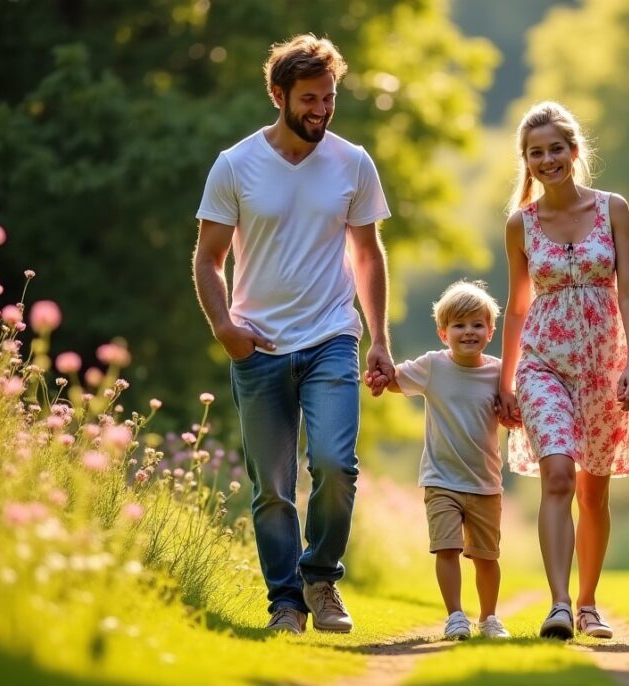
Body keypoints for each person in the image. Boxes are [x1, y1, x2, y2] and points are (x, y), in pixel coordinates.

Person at [192, 34, 395, 635]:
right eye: (309, 98)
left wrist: (379, 337)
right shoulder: (235, 165)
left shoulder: (353, 161)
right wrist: (225, 328)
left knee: (335, 465)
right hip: (258, 347)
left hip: (332, 334)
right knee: (273, 487)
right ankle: (285, 602)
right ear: (277, 95)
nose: (322, 111)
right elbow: (208, 259)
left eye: (329, 99)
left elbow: (368, 254)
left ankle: (321, 576)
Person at [496, 101, 629, 640]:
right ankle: (558, 604)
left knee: (593, 493)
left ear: (575, 151)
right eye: (536, 153)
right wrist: (505, 380)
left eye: (556, 148)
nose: (548, 159)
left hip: (604, 365)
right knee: (558, 474)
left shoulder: (613, 209)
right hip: (543, 364)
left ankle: (587, 603)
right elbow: (516, 307)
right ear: (527, 162)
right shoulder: (521, 225)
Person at [371, 280, 511, 640]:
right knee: (446, 548)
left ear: (490, 331)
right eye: (459, 325)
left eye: (477, 325)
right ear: (443, 331)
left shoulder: (499, 373)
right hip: (440, 480)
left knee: (486, 556)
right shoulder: (432, 366)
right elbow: (394, 380)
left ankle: (490, 618)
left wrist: (515, 412)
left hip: (485, 482)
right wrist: (378, 375)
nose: (468, 332)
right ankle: (455, 616)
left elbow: (518, 411)